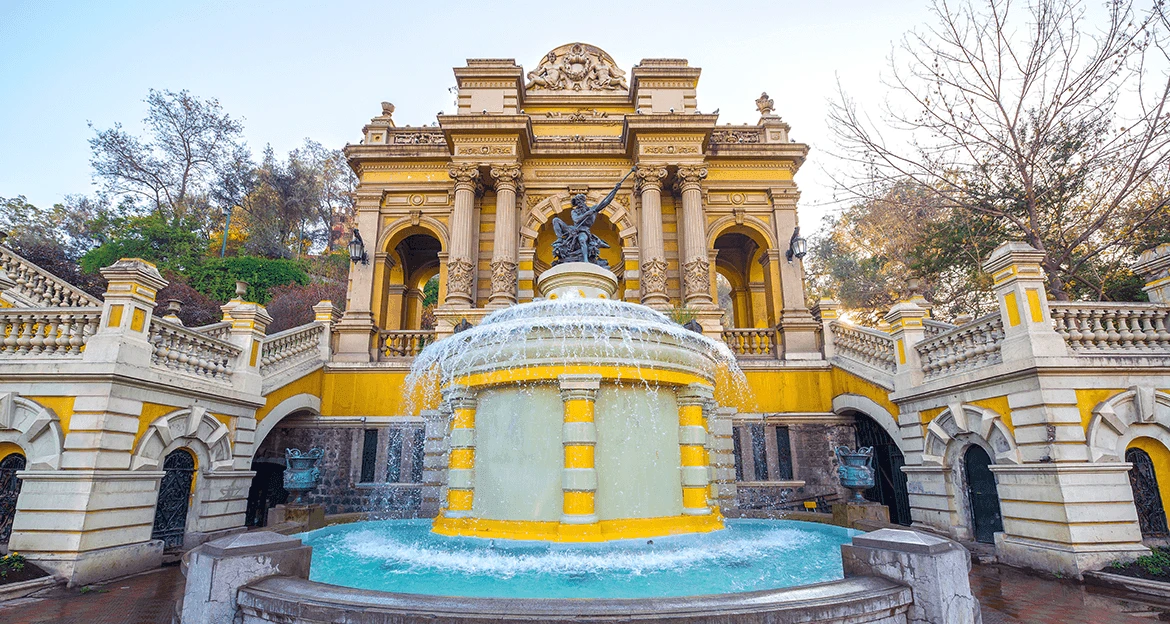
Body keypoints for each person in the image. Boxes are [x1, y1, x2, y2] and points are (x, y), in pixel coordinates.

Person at [551, 167, 636, 266]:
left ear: (583, 201)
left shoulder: (593, 209)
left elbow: (606, 201)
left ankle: (586, 260)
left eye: (580, 201)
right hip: (573, 229)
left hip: (583, 230)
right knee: (556, 220)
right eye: (577, 202)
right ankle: (560, 239)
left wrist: (615, 190)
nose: (579, 203)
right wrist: (587, 214)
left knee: (582, 240)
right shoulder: (575, 211)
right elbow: (576, 220)